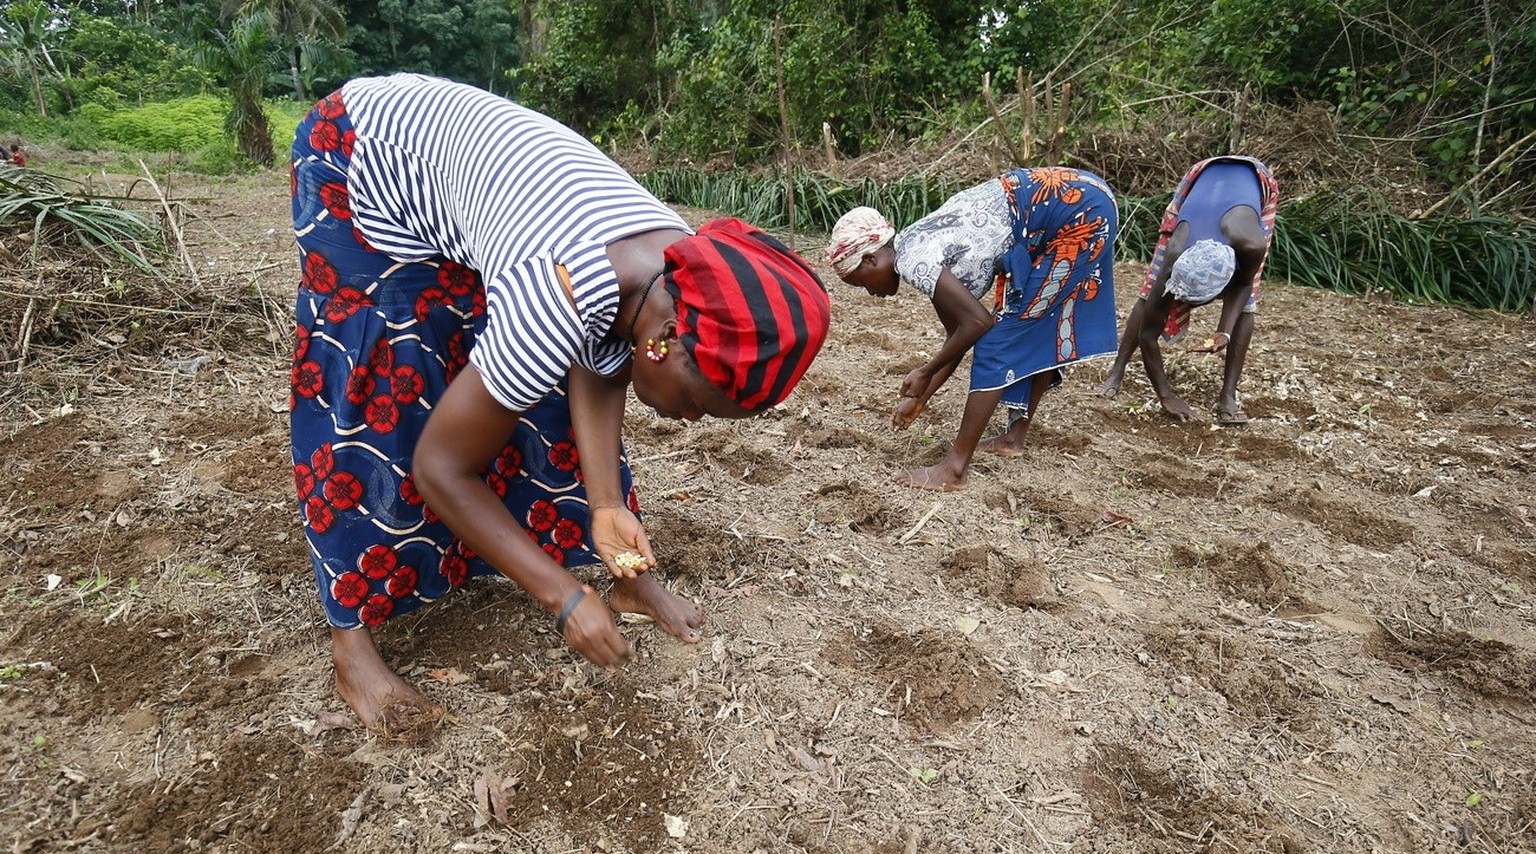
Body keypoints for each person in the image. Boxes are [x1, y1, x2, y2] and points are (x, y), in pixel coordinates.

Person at [289, 74, 830, 733]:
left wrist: (606, 508)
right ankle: (353, 647)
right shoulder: (558, 293)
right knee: (386, 379)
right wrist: (564, 597)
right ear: (668, 343)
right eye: (698, 405)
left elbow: (602, 352)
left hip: (474, 184)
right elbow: (439, 468)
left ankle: (624, 577)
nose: (689, 422)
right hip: (361, 157)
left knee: (517, 373)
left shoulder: (676, 270)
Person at [826, 168, 1118, 490]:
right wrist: (923, 395)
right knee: (1031, 324)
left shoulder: (914, 261)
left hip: (1079, 212)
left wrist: (925, 370)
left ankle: (954, 470)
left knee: (999, 342)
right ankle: (1013, 438)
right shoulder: (915, 244)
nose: (870, 293)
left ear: (869, 260)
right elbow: (959, 335)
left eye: (861, 283)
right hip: (1072, 202)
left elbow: (979, 323)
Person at [1099, 155, 1278, 425]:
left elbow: (1242, 284)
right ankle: (1117, 369)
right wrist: (1166, 396)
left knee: (1248, 303)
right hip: (1201, 176)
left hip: (1254, 179)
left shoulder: (1251, 244)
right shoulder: (1175, 256)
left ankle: (1228, 396)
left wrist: (1224, 332)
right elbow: (1148, 334)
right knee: (1149, 293)